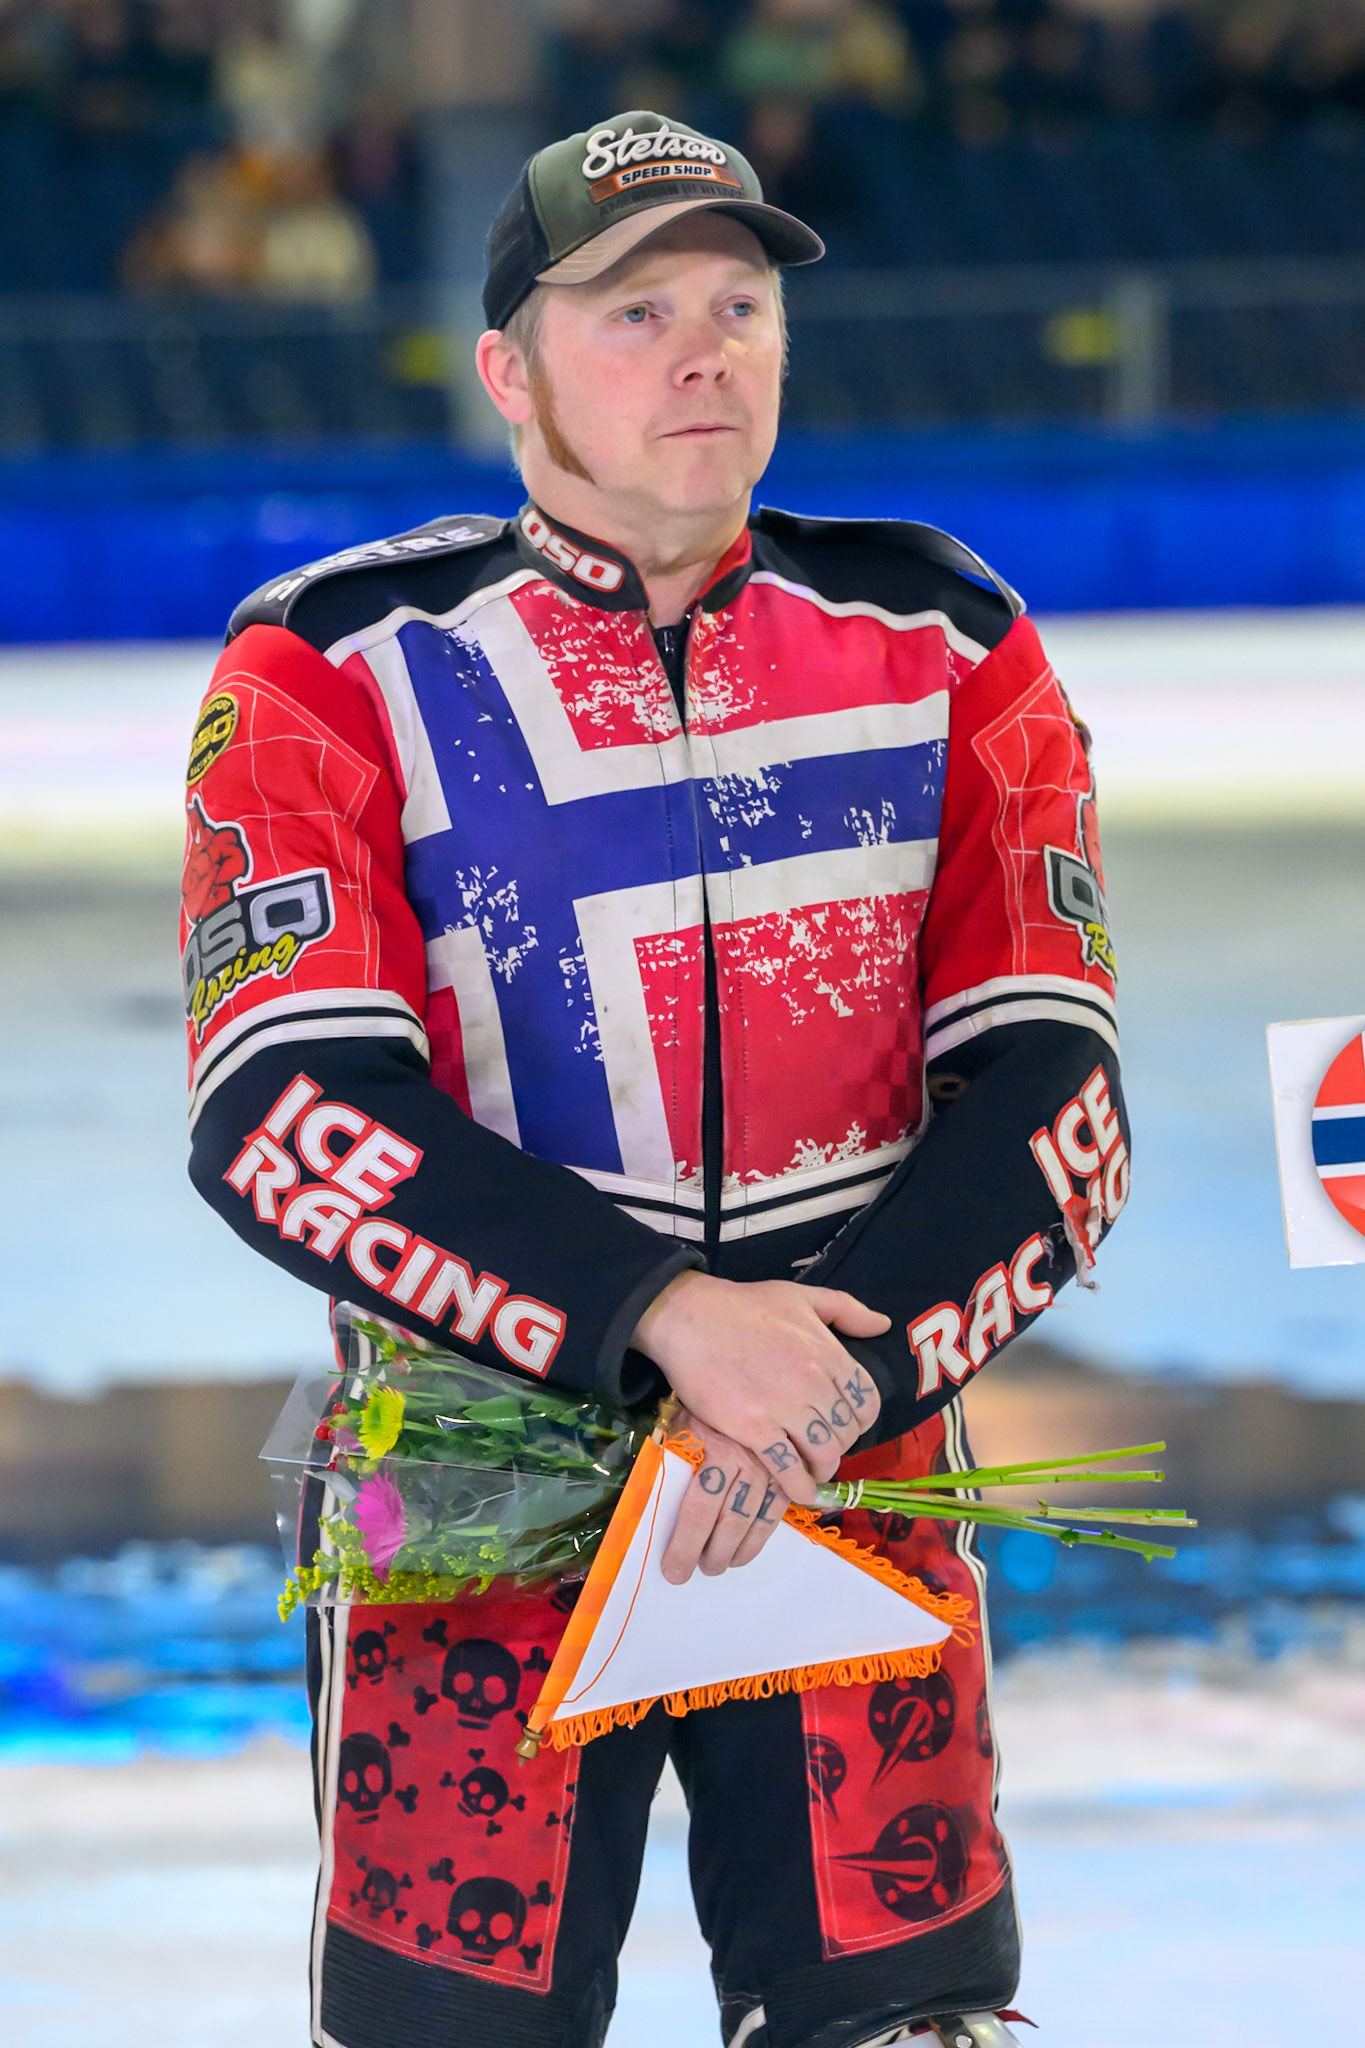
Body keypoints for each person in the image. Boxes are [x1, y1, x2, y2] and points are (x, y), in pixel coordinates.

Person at [180, 107, 1126, 2048]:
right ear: (508, 372)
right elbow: (279, 1107)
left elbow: (1057, 1100)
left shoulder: (942, 639)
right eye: (632, 310)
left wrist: (823, 1381)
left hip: (848, 1458)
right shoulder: (329, 665)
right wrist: (666, 1324)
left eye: (738, 300)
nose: (704, 347)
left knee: (912, 2026)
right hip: (469, 1480)